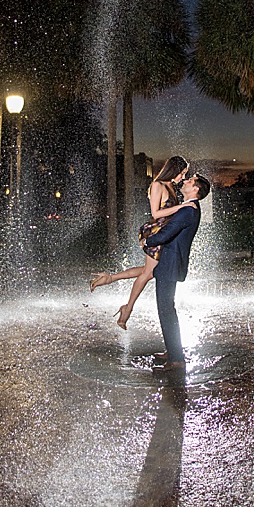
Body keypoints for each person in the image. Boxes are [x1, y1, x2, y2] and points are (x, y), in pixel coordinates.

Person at [89, 156, 195, 329]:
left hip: (164, 235)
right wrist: (182, 207)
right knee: (149, 273)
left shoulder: (170, 186)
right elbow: (156, 213)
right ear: (174, 169)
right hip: (155, 233)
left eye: (184, 174)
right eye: (182, 173)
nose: (182, 177)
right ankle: (127, 310)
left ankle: (109, 279)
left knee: (149, 271)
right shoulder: (157, 185)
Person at [141, 173, 210, 373]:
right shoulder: (189, 208)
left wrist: (148, 241)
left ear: (195, 189)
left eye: (189, 181)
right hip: (171, 263)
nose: (185, 182)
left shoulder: (188, 210)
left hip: (170, 264)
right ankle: (173, 352)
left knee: (166, 310)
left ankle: (177, 360)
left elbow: (168, 232)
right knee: (167, 310)